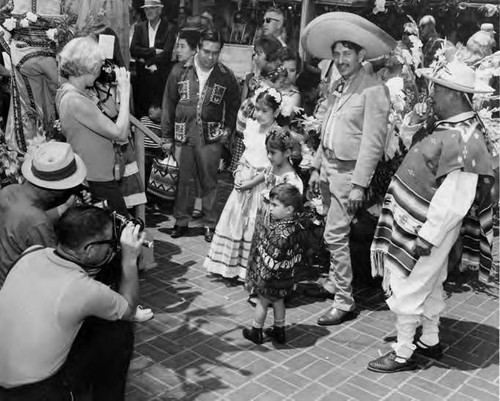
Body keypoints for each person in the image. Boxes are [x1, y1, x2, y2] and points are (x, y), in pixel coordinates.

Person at [368, 61, 495, 373]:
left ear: (453, 94)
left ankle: (402, 352)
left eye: (437, 88)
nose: (432, 93)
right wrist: (414, 120)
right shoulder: (450, 127)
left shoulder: (465, 139)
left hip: (427, 227)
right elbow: (414, 145)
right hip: (421, 221)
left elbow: (455, 201)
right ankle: (430, 338)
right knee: (432, 282)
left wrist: (428, 236)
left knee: (408, 284)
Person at [301, 12, 394, 325]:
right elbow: (327, 125)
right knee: (330, 226)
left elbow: (373, 143)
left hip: (348, 173)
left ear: (361, 55)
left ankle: (344, 300)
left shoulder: (374, 90)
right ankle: (332, 282)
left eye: (347, 54)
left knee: (334, 234)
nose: (340, 60)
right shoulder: (339, 85)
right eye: (337, 54)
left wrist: (358, 184)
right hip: (328, 166)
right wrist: (316, 165)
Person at [0, 205, 145, 400]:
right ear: (91, 250)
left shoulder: (32, 253)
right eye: (109, 242)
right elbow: (128, 309)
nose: (112, 246)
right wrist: (129, 259)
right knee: (118, 332)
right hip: (34, 391)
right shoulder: (84, 290)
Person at [161, 29, 240, 243]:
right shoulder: (179, 70)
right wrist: (166, 137)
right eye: (206, 51)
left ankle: (210, 223)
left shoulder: (226, 75)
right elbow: (168, 103)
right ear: (198, 48)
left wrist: (228, 130)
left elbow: (234, 105)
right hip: (182, 134)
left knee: (210, 181)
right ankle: (181, 221)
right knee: (183, 179)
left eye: (215, 52)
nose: (210, 57)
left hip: (211, 137)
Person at [204, 87, 282, 280]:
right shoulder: (252, 127)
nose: (259, 114)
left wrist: (251, 182)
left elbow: (272, 168)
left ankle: (247, 268)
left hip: (260, 184)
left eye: (265, 111)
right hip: (244, 178)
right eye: (257, 109)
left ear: (276, 112)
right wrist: (238, 172)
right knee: (236, 219)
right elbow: (245, 155)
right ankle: (230, 265)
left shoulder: (277, 134)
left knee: (253, 224)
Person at [56, 36, 132, 216]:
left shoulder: (70, 92)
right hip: (96, 179)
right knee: (120, 231)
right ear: (87, 65)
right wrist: (125, 92)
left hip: (93, 176)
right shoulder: (75, 100)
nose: (99, 72)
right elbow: (120, 133)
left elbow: (110, 114)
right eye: (97, 66)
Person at [0, 141, 87, 287]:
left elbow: (22, 224)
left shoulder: (9, 191)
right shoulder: (37, 222)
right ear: (55, 191)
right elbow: (55, 270)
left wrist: (64, 206)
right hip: (18, 290)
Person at [243, 183, 304, 345]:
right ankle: (279, 331)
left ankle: (256, 332)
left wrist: (261, 277)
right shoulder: (297, 228)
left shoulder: (279, 234)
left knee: (262, 302)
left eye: (275, 205)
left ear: (289, 209)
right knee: (279, 301)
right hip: (287, 278)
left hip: (271, 278)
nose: (270, 208)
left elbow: (270, 260)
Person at [130, 0, 177, 117]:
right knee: (141, 111)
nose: (149, 11)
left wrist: (148, 61)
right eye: (146, 9)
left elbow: (167, 53)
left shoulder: (169, 28)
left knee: (158, 112)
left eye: (153, 8)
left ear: (160, 10)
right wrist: (153, 51)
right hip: (142, 78)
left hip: (160, 77)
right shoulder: (139, 27)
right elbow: (133, 49)